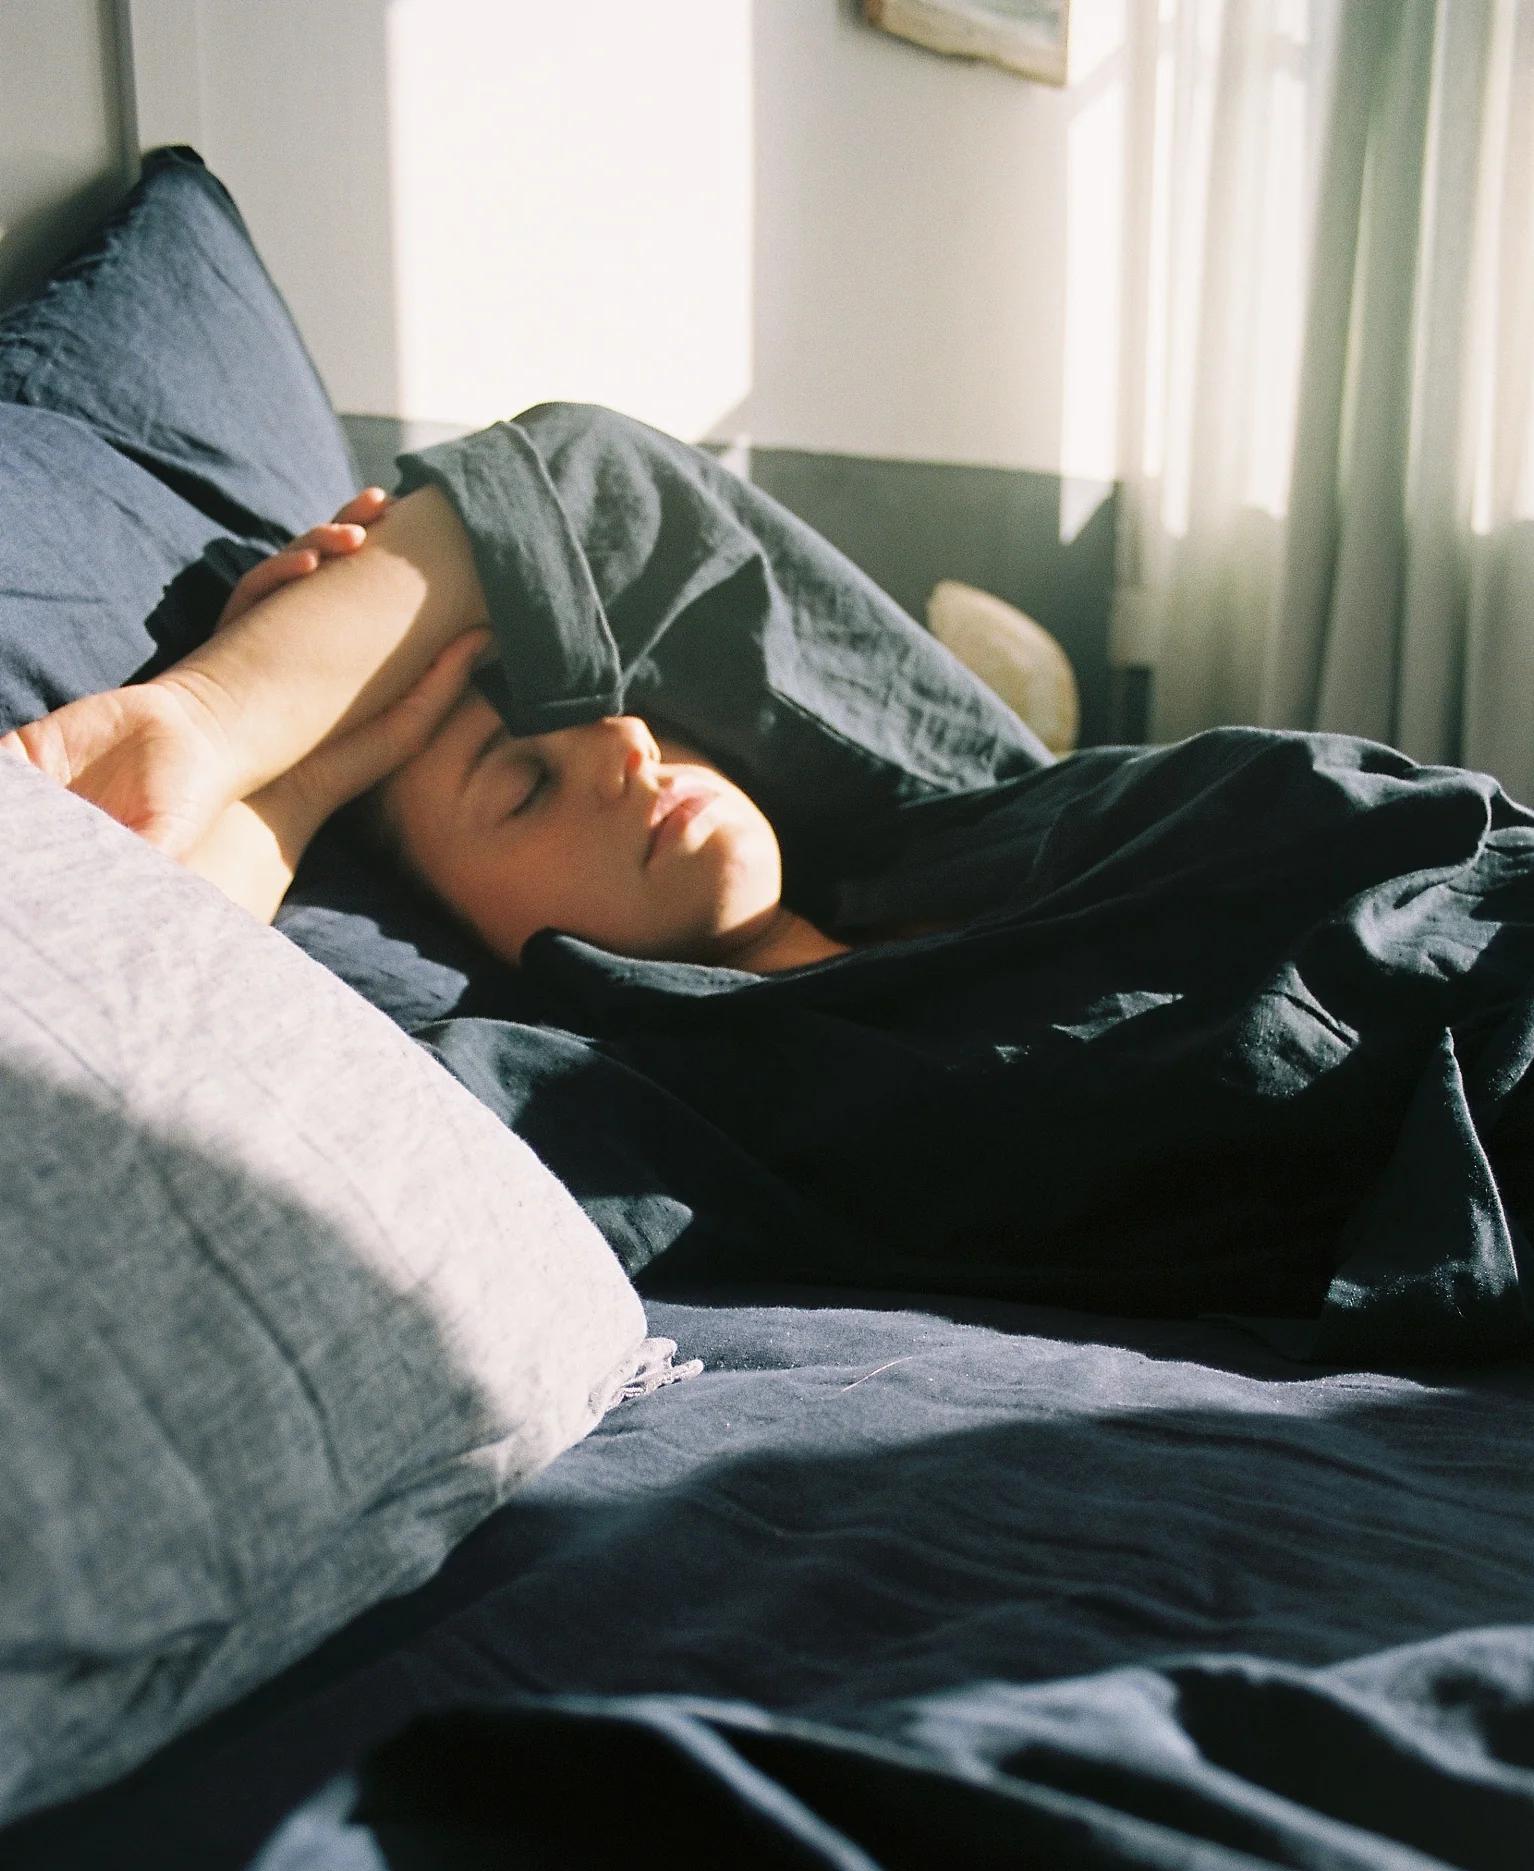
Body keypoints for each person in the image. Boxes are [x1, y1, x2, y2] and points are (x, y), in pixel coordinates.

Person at [7, 404, 1534, 1368]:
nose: (615, 743)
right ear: (488, 944)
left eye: (602, 704)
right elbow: (189, 1091)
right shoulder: (651, 1106)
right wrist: (284, 788)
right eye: (522, 783)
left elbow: (604, 485)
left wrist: (230, 705)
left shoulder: (939, 806)